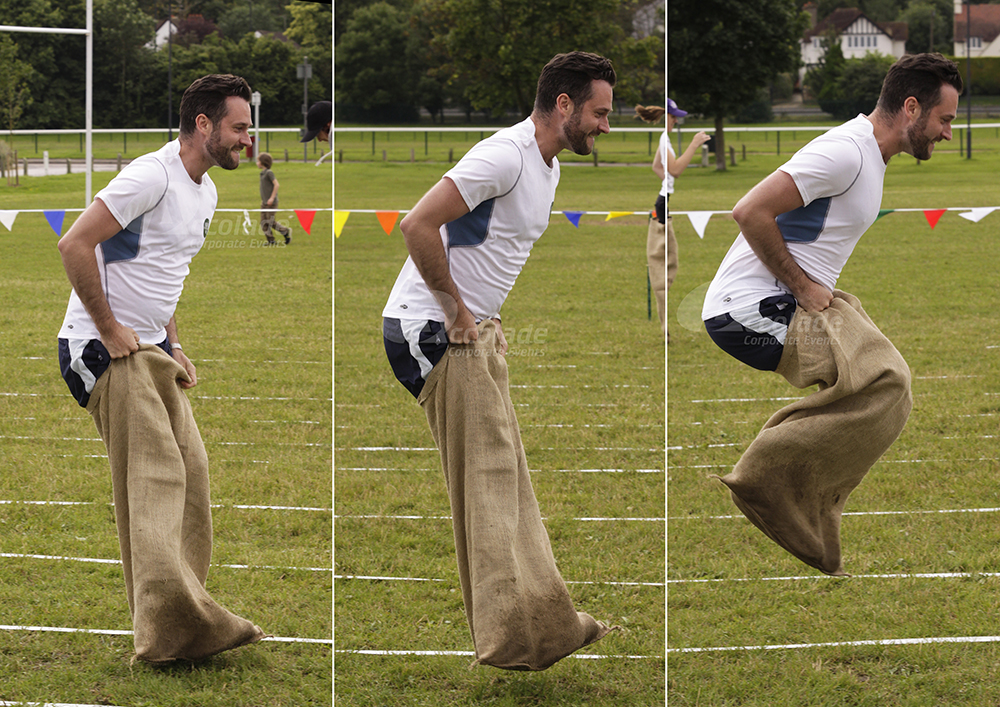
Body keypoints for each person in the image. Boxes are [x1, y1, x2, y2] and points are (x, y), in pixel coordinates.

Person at [382, 51, 618, 671]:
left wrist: (480, 315)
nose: (606, 125)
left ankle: (546, 621)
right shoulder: (505, 155)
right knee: (487, 485)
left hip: (466, 331)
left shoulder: (546, 167)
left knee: (506, 478)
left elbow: (486, 251)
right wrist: (459, 310)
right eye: (599, 113)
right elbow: (417, 224)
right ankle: (513, 636)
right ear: (563, 104)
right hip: (429, 331)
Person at [700, 54, 963, 576]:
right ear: (912, 108)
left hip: (780, 303)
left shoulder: (869, 155)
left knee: (889, 384)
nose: (948, 133)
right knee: (887, 381)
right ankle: (766, 482)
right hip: (748, 314)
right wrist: (802, 286)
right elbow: (749, 210)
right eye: (945, 119)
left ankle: (804, 501)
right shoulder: (846, 152)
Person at [56, 74, 266, 663]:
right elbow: (75, 244)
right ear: (204, 125)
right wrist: (110, 328)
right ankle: (168, 636)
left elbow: (165, 275)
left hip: (149, 352)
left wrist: (172, 344)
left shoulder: (207, 192)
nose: (247, 140)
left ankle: (185, 615)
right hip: (98, 349)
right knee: (155, 481)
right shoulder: (151, 175)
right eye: (239, 127)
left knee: (191, 473)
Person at [661, 99, 710, 338]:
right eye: (673, 116)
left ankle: (664, 327)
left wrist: (664, 185)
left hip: (663, 204)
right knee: (666, 271)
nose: (676, 121)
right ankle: (664, 329)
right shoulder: (663, 139)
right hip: (661, 210)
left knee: (669, 267)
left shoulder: (664, 140)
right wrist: (694, 144)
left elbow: (656, 169)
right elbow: (676, 170)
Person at [257, 151, 292, 245]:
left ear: (263, 162)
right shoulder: (262, 173)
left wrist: (271, 198)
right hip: (264, 202)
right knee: (263, 223)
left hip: (271, 203)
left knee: (270, 221)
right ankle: (271, 241)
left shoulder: (269, 173)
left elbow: (276, 185)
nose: (257, 163)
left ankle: (285, 231)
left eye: (258, 161)